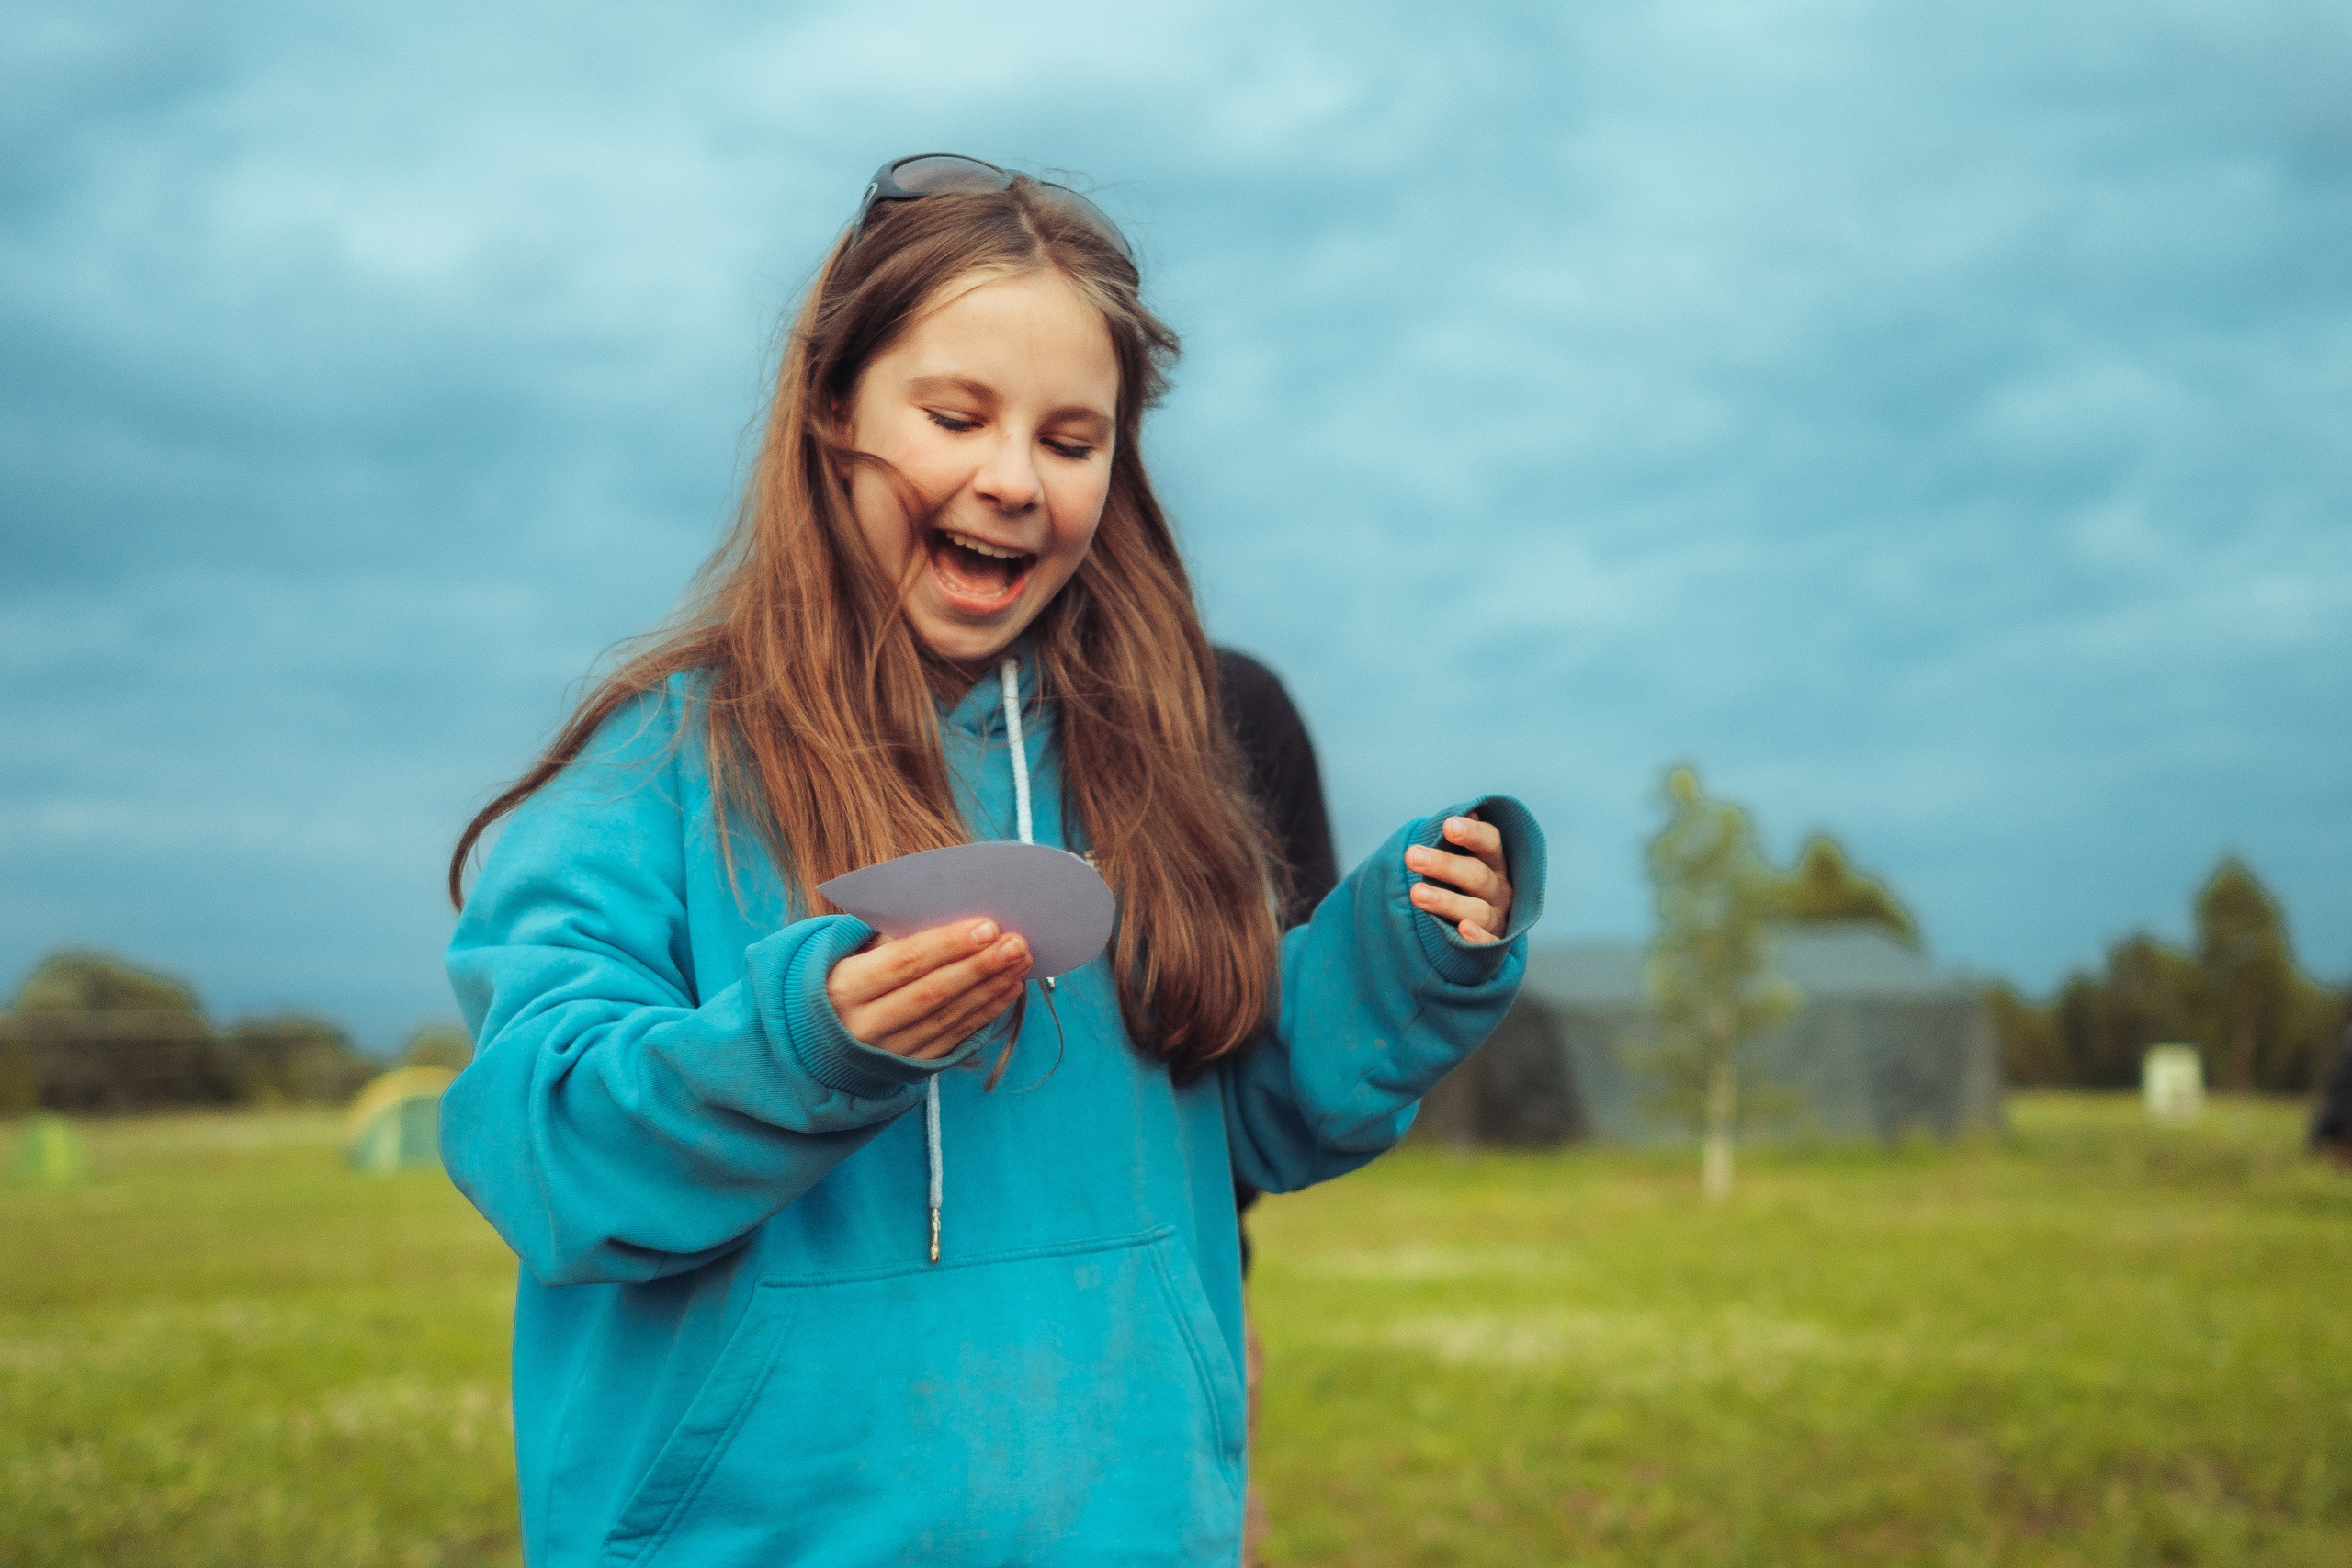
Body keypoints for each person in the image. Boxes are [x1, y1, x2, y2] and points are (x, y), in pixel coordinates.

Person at [437, 154, 1545, 1567]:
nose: (1013, 480)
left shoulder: (1155, 774)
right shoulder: (648, 774)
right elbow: (548, 1151)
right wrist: (807, 1043)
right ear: (832, 412)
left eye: (1072, 440)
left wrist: (1397, 963)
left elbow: (1241, 1115)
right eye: (956, 414)